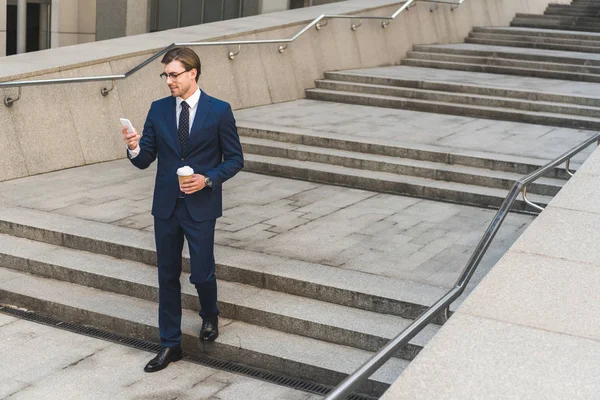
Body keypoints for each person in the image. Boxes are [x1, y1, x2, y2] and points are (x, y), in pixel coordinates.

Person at [121, 47, 244, 373]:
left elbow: (235, 159)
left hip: (201, 206)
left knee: (202, 273)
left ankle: (209, 313)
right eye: (166, 75)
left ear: (193, 73)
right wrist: (134, 146)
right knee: (167, 276)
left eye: (174, 74)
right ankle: (170, 344)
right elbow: (145, 158)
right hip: (166, 207)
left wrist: (207, 179)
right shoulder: (158, 109)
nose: (169, 81)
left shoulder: (219, 110)